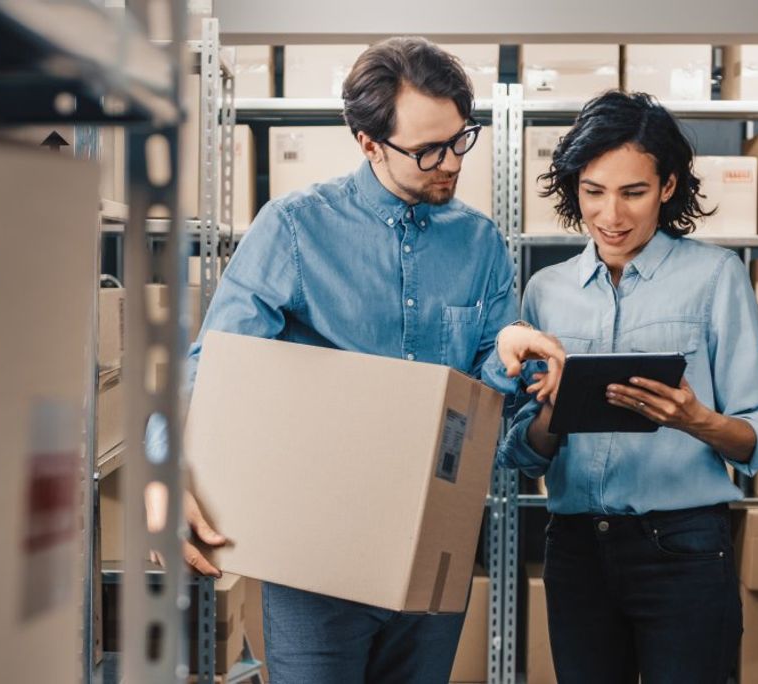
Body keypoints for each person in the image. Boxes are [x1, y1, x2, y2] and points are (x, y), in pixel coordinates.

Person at [174, 37, 564, 683]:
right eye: (427, 151)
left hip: (432, 550)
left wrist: (507, 367)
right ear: (367, 143)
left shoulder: (481, 245)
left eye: (460, 139)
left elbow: (488, 426)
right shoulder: (295, 228)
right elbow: (213, 367)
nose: (450, 164)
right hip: (314, 558)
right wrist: (171, 462)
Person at [498, 91, 758, 684]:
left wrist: (692, 418)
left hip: (683, 547)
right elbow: (523, 455)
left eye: (634, 192)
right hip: (575, 549)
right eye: (593, 191)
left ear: (669, 186)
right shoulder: (546, 291)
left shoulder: (715, 277)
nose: (611, 216)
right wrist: (551, 409)